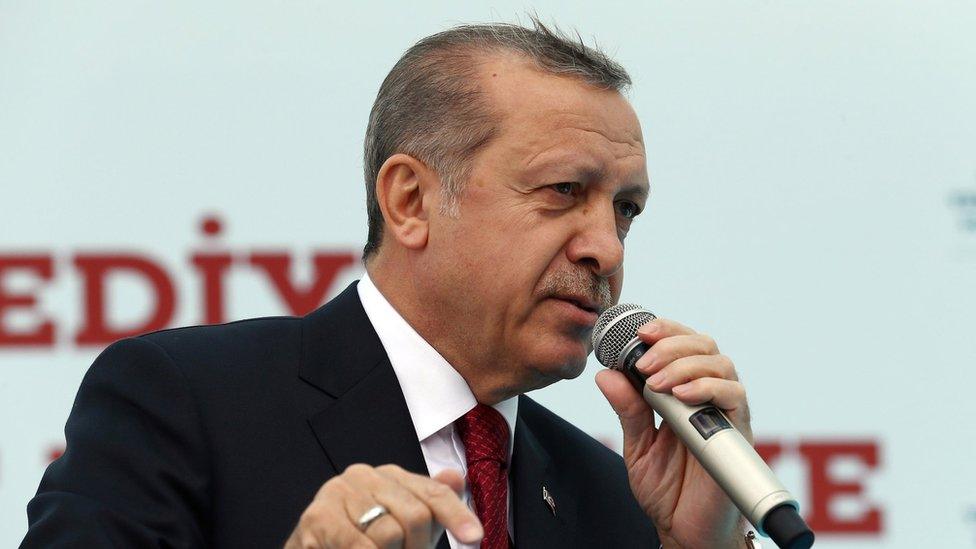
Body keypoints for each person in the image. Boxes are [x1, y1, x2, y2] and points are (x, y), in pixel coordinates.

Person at [23, 19, 754, 549]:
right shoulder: (183, 401)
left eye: (626, 210)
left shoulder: (615, 497)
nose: (605, 247)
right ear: (410, 201)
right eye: (565, 190)